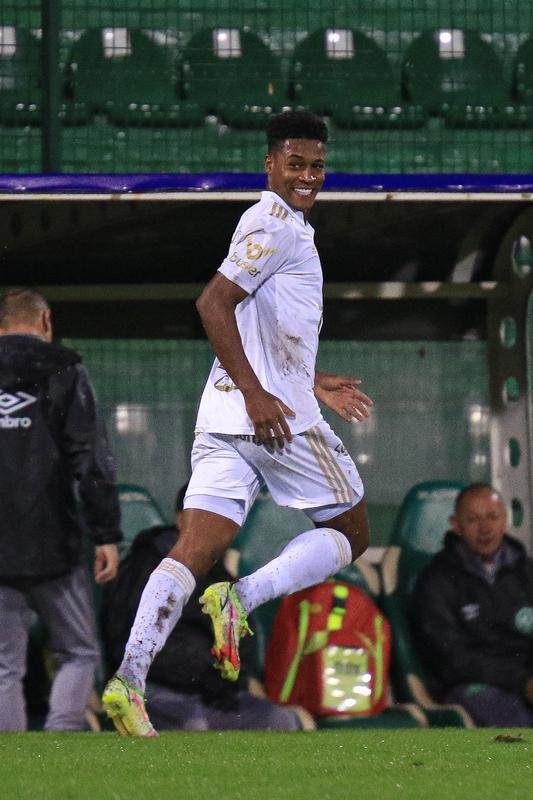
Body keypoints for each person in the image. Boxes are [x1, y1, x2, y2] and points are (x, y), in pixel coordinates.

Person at [103, 110, 373, 737]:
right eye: (295, 163)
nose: (308, 176)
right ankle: (241, 598)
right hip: (271, 419)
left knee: (193, 548)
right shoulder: (276, 225)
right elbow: (212, 304)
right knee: (352, 531)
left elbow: (260, 328)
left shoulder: (269, 226)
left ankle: (128, 679)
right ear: (270, 164)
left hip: (222, 412)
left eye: (316, 165)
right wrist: (261, 395)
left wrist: (309, 378)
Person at [0, 287, 121, 731]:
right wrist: (106, 533)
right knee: (79, 651)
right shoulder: (64, 370)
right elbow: (90, 459)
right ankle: (62, 739)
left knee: (3, 666)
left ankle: (8, 767)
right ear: (46, 322)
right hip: (54, 540)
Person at [101, 484, 312, 731]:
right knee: (197, 727)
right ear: (183, 520)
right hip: (159, 692)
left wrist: (244, 676)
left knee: (283, 720)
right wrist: (208, 674)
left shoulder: (218, 571)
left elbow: (242, 634)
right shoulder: (150, 567)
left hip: (216, 695)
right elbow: (136, 645)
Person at [413, 483, 533, 727]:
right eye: (473, 520)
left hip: (527, 678)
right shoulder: (436, 580)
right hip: (471, 684)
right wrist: (521, 681)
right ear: (456, 525)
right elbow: (452, 660)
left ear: (505, 519)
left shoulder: (527, 570)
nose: (485, 528)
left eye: (492, 517)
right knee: (517, 725)